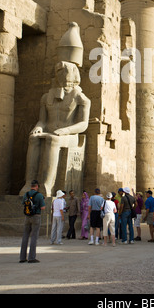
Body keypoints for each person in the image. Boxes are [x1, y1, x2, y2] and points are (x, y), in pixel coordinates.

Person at [19, 61, 91, 197]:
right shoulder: (46, 97)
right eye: (59, 72)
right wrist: (38, 127)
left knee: (53, 140)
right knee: (33, 138)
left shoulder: (80, 98)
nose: (61, 75)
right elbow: (43, 121)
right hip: (52, 131)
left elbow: (83, 124)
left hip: (70, 135)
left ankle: (47, 185)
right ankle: (29, 183)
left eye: (64, 72)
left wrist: (65, 131)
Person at [19, 180, 46, 263]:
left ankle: (22, 257)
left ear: (31, 186)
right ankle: (31, 257)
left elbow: (23, 203)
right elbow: (43, 207)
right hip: (36, 216)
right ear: (37, 186)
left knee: (25, 236)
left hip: (27, 216)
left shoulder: (26, 194)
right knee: (34, 237)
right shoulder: (39, 195)